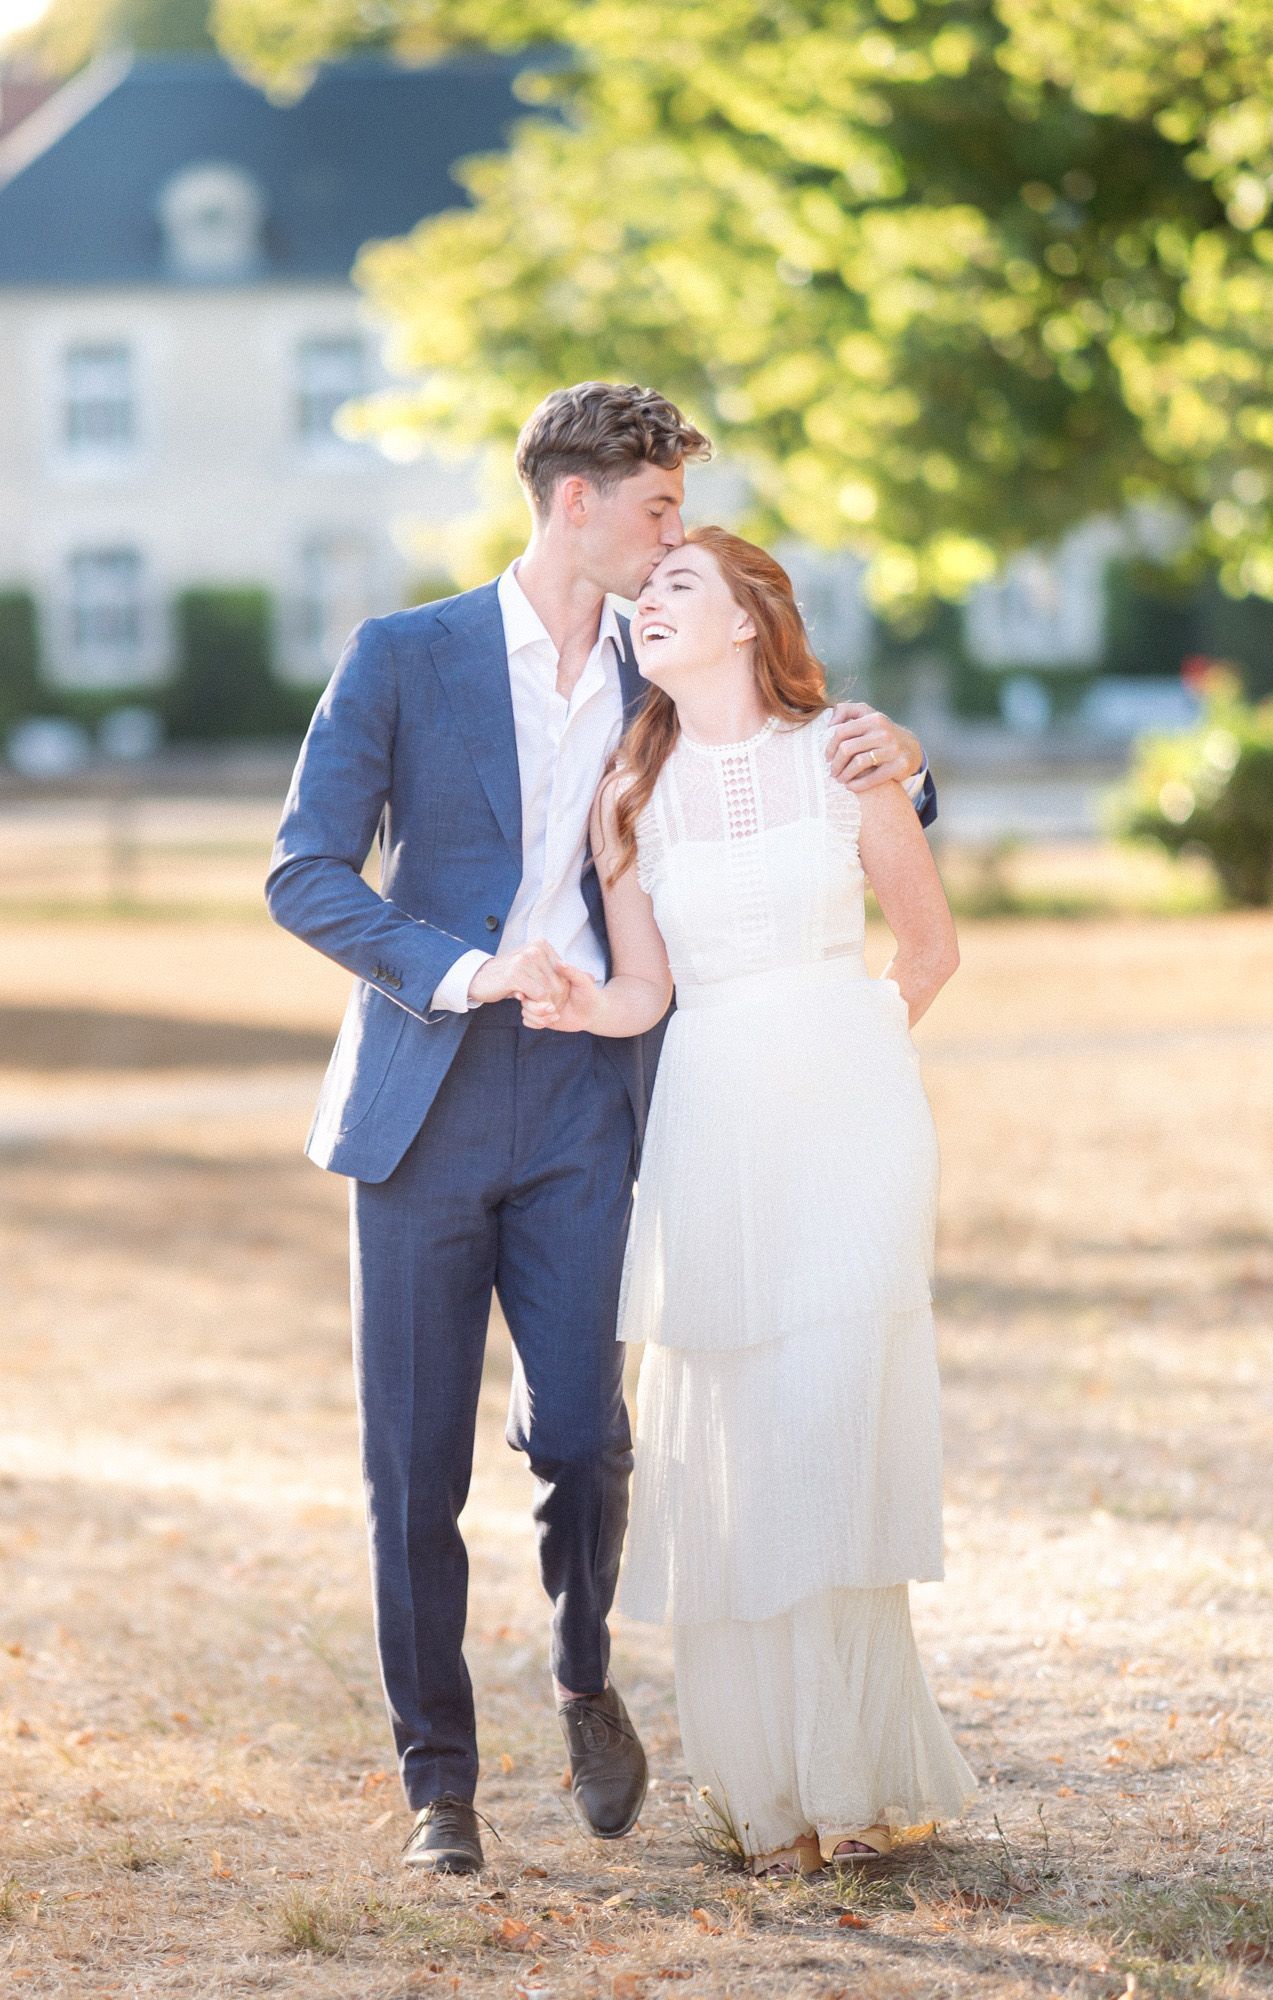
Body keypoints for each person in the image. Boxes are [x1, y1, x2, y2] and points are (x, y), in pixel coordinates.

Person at [265, 383, 936, 1875]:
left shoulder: (660, 663)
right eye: (657, 509)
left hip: (592, 1101)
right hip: (421, 1105)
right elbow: (304, 873)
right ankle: (439, 1785)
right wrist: (462, 969)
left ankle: (582, 1679)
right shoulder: (403, 655)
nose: (673, 537)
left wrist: (906, 766)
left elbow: (780, 745)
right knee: (412, 1464)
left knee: (584, 1436)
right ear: (577, 502)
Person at [521, 526, 975, 1876]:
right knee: (741, 1445)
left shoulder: (843, 753)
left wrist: (853, 1058)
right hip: (708, 1124)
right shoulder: (630, 797)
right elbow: (645, 993)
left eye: (677, 586)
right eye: (642, 591)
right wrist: (574, 1000)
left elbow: (929, 947)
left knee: (831, 1428)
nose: (648, 602)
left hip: (850, 1131)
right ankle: (769, 1797)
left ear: (744, 621)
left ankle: (855, 1777)